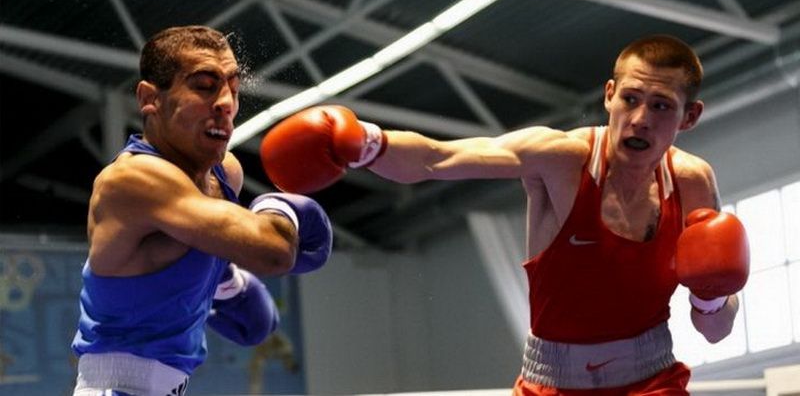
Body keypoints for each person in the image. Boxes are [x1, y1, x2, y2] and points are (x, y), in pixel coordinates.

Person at [260, 34, 750, 395]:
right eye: (631, 99)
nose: (640, 119)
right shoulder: (560, 158)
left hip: (651, 380)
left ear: (689, 116)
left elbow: (715, 331)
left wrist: (710, 298)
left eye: (661, 106)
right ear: (609, 95)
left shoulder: (692, 183)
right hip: (551, 381)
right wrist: (367, 143)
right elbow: (438, 158)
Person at [71, 25, 333, 396]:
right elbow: (273, 252)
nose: (226, 102)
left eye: (233, 88)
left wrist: (227, 285)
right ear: (150, 98)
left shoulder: (224, 174)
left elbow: (187, 244)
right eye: (205, 86)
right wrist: (280, 208)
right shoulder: (134, 179)